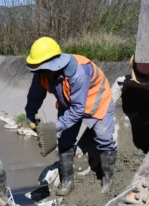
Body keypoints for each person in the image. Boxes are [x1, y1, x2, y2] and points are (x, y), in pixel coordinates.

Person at [24, 37, 118, 196]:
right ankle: (68, 181)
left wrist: (55, 127)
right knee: (65, 141)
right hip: (69, 103)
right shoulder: (42, 73)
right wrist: (30, 114)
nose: (41, 73)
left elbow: (78, 109)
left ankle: (107, 180)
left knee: (104, 139)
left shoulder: (78, 72)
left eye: (43, 69)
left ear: (54, 64)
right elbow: (35, 95)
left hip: (97, 100)